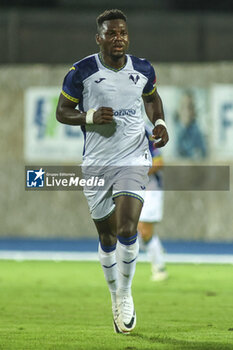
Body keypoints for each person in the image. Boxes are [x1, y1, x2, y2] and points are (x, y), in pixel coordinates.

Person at [56, 9, 169, 334]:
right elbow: (62, 111)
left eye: (122, 33)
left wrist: (159, 121)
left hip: (133, 158)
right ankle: (113, 293)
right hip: (96, 164)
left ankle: (125, 294)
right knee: (106, 237)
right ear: (99, 38)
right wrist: (89, 116)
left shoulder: (143, 68)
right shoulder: (82, 71)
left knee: (127, 228)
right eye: (111, 34)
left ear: (127, 36)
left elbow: (152, 98)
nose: (118, 38)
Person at [138, 124, 168, 281]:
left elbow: (159, 162)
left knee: (144, 229)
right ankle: (157, 255)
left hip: (151, 188)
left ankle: (160, 267)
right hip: (133, 188)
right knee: (133, 230)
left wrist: (137, 173)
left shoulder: (146, 131)